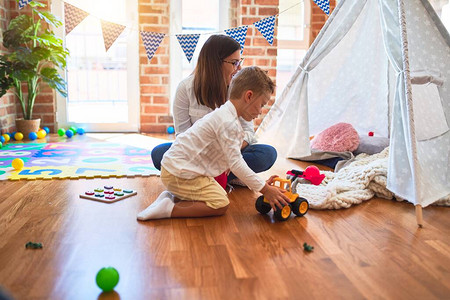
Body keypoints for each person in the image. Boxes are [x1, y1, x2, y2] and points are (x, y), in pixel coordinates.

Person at [138, 66, 289, 220]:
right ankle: (169, 208)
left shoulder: (224, 114)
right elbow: (237, 164)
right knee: (220, 203)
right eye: (262, 105)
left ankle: (171, 196)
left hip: (178, 169)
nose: (260, 111)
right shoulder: (229, 123)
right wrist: (265, 190)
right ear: (249, 96)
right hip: (178, 173)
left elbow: (232, 164)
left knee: (218, 192)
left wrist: (260, 184)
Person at [151, 34, 277, 185]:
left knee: (267, 154)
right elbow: (182, 135)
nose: (239, 68)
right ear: (215, 63)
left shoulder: (236, 89)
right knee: (159, 153)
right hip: (197, 154)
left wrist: (228, 154)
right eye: (234, 63)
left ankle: (205, 178)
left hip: (231, 153)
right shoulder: (185, 88)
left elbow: (248, 133)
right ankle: (225, 176)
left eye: (239, 62)